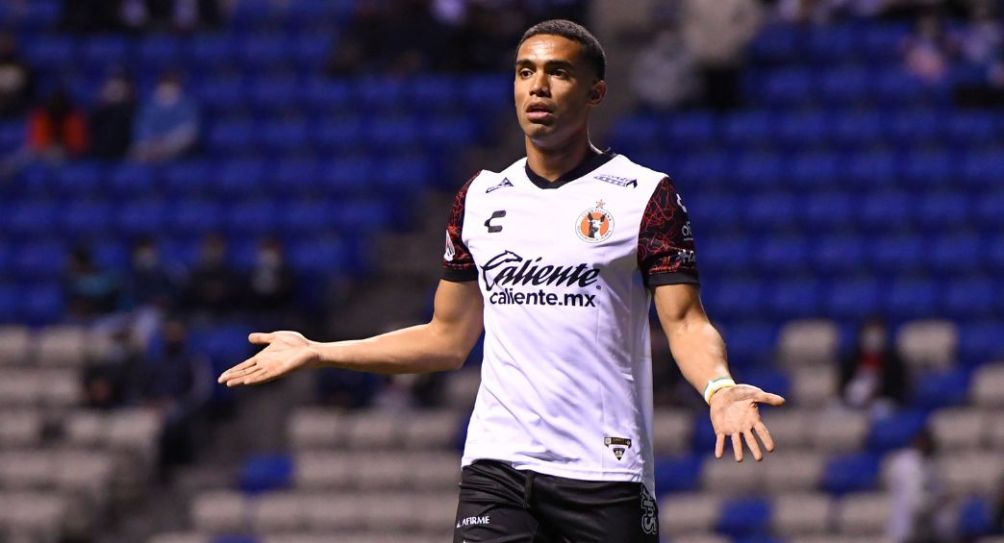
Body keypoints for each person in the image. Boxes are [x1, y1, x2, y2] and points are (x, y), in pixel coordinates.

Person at [218, 20, 785, 542]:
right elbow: (446, 339)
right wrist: (320, 352)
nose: (537, 86)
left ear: (595, 93)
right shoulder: (479, 197)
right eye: (524, 71)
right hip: (497, 465)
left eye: (558, 72)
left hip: (604, 469)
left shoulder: (643, 196)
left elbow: (684, 320)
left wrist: (720, 388)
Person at [839, 316, 909, 413]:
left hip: (882, 402)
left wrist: (878, 392)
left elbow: (899, 388)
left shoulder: (893, 361)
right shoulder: (852, 359)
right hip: (853, 401)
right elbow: (843, 384)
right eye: (869, 335)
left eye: (877, 335)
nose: (873, 339)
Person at [131, 71, 200, 162]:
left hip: (177, 152)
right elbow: (141, 130)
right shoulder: (148, 107)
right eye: (165, 85)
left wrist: (166, 145)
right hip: (149, 151)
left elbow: (189, 132)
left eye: (172, 86)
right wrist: (150, 146)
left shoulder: (187, 105)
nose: (168, 89)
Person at [89, 70, 136, 160]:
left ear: (127, 90)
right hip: (97, 157)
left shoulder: (131, 111)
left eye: (118, 89)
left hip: (123, 157)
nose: (114, 92)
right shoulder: (97, 111)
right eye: (112, 89)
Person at [0, 33, 35, 118]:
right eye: (4, 44)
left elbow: (28, 90)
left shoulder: (23, 67)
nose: (6, 47)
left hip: (18, 106)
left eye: (9, 44)